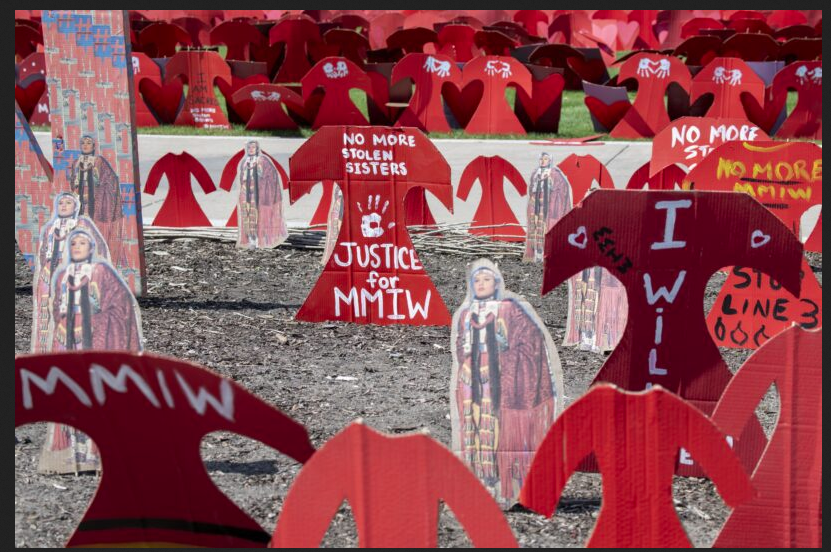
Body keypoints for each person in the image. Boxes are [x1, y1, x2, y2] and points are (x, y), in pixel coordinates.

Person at [452, 259, 561, 508]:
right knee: (473, 425)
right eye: (476, 280)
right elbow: (461, 343)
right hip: (471, 379)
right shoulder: (466, 314)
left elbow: (531, 339)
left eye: (487, 279)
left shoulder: (509, 309)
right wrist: (465, 362)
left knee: (496, 426)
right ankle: (480, 480)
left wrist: (506, 355)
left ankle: (501, 481)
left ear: (497, 283)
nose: (481, 284)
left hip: (499, 378)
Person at [39, 228, 142, 474]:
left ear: (92, 247)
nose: (76, 246)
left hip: (97, 339)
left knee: (96, 392)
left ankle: (98, 450)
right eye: (73, 242)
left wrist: (96, 321)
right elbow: (55, 307)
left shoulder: (102, 272)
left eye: (82, 242)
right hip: (68, 340)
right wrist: (65, 324)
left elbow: (121, 306)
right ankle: (72, 451)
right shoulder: (63, 274)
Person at [31, 192, 108, 353]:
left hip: (74, 274)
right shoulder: (51, 228)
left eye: (68, 203)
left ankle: (77, 352)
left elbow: (98, 248)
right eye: (61, 203)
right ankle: (46, 352)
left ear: (76, 207)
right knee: (48, 313)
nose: (64, 206)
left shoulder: (82, 224)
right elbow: (44, 253)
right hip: (49, 274)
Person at [69, 135, 123, 263]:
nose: (85, 145)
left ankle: (97, 260)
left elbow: (111, 181)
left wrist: (98, 191)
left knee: (96, 233)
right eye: (83, 143)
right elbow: (73, 183)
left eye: (88, 143)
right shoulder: (76, 163)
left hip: (97, 204)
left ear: (94, 146)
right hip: (80, 204)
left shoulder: (99, 162)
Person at [236, 140, 288, 248]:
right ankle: (251, 240)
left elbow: (272, 174)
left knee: (260, 218)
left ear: (257, 149)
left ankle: (261, 241)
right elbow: (242, 178)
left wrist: (262, 181)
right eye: (249, 147)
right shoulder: (244, 162)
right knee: (248, 217)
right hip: (246, 194)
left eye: (253, 147)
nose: (250, 149)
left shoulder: (263, 161)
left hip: (259, 195)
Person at [524, 152, 572, 262]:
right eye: (541, 159)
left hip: (548, 206)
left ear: (550, 161)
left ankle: (546, 254)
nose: (542, 161)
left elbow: (563, 188)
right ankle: (536, 254)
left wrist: (553, 196)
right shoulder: (535, 173)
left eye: (545, 159)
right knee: (534, 228)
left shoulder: (555, 173)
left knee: (545, 228)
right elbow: (531, 188)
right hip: (535, 204)